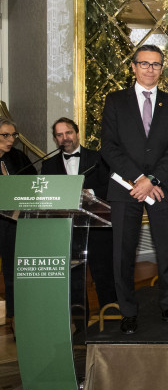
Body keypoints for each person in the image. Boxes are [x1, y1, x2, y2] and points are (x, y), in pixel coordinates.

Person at [100, 45, 168, 334]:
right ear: (133, 67)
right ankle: (128, 312)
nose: (150, 69)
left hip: (161, 188)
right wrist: (138, 178)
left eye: (156, 64)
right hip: (126, 188)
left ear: (163, 69)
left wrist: (153, 180)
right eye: (144, 64)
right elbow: (108, 147)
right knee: (122, 252)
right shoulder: (115, 101)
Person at [40, 117, 115, 311]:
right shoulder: (48, 166)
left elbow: (111, 186)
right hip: (67, 231)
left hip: (98, 229)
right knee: (74, 279)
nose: (65, 138)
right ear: (56, 139)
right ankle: (80, 324)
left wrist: (92, 193)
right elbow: (46, 198)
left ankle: (112, 318)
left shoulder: (99, 158)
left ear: (77, 133)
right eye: (59, 135)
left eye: (68, 133)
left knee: (104, 275)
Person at [0, 118, 36, 329]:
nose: (10, 139)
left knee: (13, 269)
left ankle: (14, 316)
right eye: (5, 135)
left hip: (12, 221)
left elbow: (33, 183)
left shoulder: (18, 157)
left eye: (13, 135)